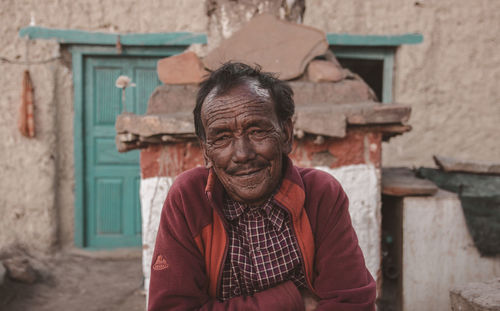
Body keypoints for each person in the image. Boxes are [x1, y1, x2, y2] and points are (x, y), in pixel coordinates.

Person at [148, 62, 376, 310]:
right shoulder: (188, 199)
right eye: (222, 138)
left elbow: (353, 303)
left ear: (286, 135)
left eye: (257, 131)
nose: (242, 154)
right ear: (205, 151)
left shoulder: (320, 194)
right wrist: (293, 300)